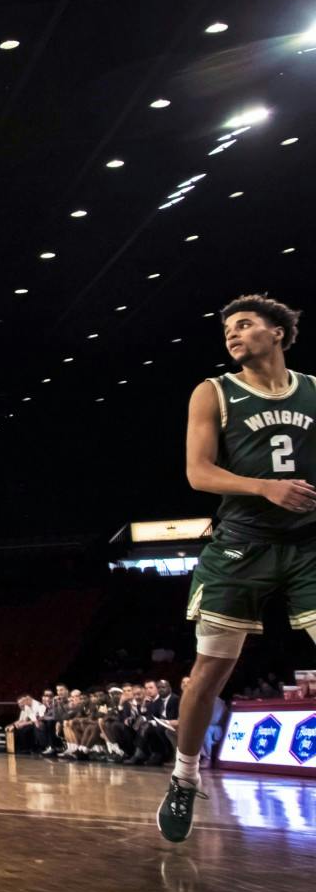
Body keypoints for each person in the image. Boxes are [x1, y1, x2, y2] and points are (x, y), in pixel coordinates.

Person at [161, 294, 316, 842]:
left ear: (278, 333)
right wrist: (264, 487)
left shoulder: (314, 390)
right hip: (241, 545)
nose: (233, 333)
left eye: (246, 324)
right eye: (228, 327)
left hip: (307, 543)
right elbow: (199, 473)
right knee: (209, 674)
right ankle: (184, 777)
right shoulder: (214, 391)